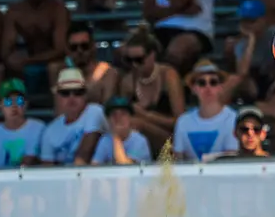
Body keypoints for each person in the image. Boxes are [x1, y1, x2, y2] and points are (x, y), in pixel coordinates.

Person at [0, 0, 69, 91]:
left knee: (55, 67)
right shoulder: (15, 11)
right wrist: (13, 58)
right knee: (6, 65)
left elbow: (60, 49)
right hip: (29, 58)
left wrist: (29, 60)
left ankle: (58, 107)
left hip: (52, 60)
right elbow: (6, 48)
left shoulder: (57, 10)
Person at [119, 27, 185, 157]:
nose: (134, 65)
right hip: (140, 137)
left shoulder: (168, 76)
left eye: (139, 60)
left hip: (172, 140)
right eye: (129, 60)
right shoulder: (127, 82)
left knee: (137, 123)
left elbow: (181, 122)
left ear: (152, 55)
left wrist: (146, 116)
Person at [38, 67, 108, 165]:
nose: (72, 97)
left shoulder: (94, 111)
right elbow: (47, 168)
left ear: (85, 95)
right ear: (57, 97)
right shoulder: (50, 130)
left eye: (78, 92)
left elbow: (84, 155)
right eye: (65, 93)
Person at [173, 60, 238, 161]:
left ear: (220, 87)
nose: (208, 87)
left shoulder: (233, 119)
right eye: (202, 83)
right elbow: (178, 159)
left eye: (213, 82)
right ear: (193, 88)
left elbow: (231, 158)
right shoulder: (183, 122)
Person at [0, 80, 46, 169]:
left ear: (26, 104)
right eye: (8, 101)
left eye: (19, 100)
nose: (14, 105)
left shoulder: (40, 129)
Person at [51, 22, 119, 105]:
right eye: (74, 47)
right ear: (67, 49)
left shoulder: (108, 73)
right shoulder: (59, 71)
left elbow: (107, 108)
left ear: (92, 46)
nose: (80, 51)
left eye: (84, 46)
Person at [91, 96, 153, 165]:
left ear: (130, 118)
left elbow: (126, 169)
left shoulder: (140, 141)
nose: (118, 118)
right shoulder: (105, 140)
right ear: (108, 120)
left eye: (123, 114)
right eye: (114, 114)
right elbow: (95, 166)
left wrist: (116, 137)